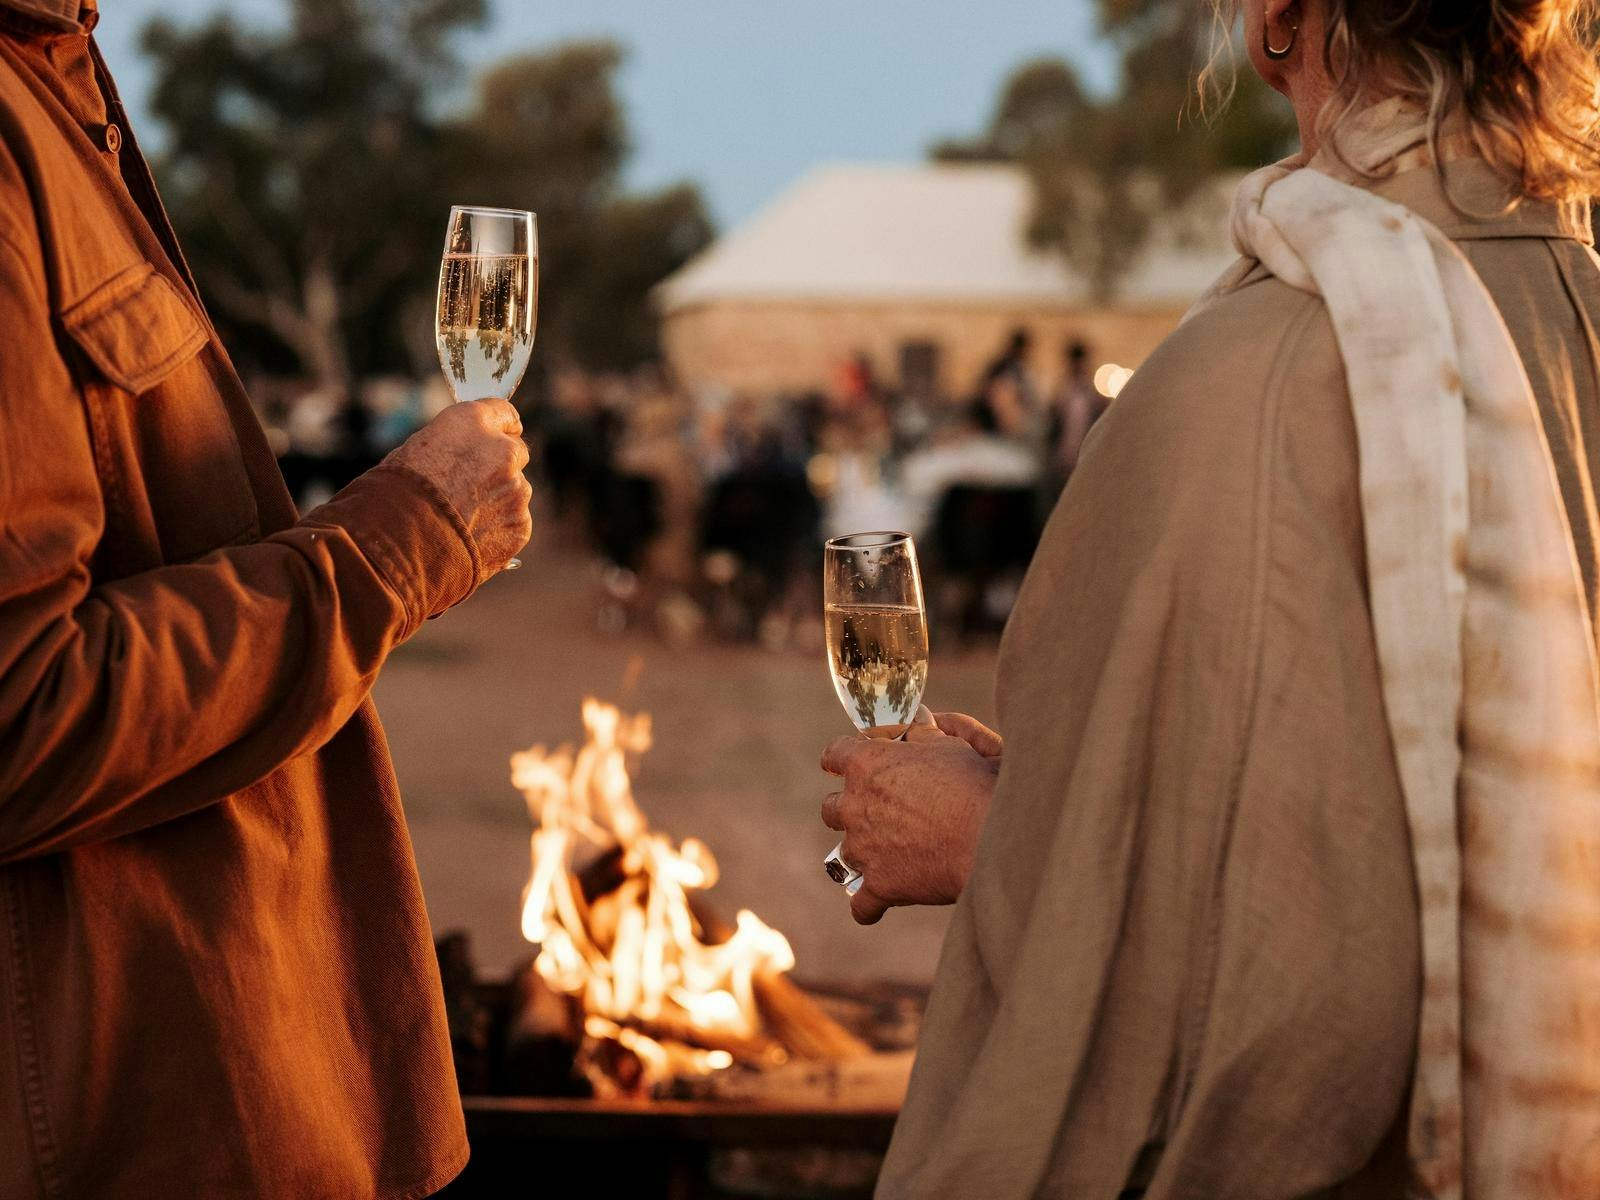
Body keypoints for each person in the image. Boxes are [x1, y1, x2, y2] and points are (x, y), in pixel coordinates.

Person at [820, 1, 1600, 1196]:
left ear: (1281, 22)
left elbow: (1288, 1012)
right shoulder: (1572, 304)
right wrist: (1069, 804)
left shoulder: (1251, 381)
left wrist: (989, 839)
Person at [0, 4, 531, 1197]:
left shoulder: (54, 77)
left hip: (221, 1078)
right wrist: (396, 546)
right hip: (132, 1121)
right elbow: (17, 713)